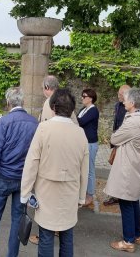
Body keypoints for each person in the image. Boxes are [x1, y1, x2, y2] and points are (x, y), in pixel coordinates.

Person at [21, 88, 89, 257]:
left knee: (46, 236)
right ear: (72, 109)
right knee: (67, 236)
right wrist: (82, 196)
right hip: (70, 191)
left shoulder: (43, 128)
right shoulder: (80, 133)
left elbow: (32, 163)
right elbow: (84, 168)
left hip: (46, 191)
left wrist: (26, 193)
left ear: (53, 107)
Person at [0, 87, 38, 257]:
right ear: (23, 102)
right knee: (17, 218)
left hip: (4, 177)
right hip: (23, 178)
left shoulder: (4, 122)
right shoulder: (34, 123)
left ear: (8, 103)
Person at [104, 88, 140, 253]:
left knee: (126, 202)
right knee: (133, 200)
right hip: (136, 167)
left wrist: (116, 135)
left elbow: (115, 138)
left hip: (128, 168)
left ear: (132, 103)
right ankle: (136, 234)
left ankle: (128, 241)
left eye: (125, 99)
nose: (123, 101)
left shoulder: (132, 122)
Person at [104, 84, 131, 206]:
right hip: (117, 142)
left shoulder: (130, 109)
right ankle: (115, 195)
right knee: (115, 168)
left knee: (120, 171)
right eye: (118, 93)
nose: (118, 96)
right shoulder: (118, 105)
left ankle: (118, 195)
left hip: (124, 143)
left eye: (120, 94)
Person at [77, 88, 99, 206]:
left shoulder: (93, 110)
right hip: (83, 143)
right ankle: (83, 192)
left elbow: (80, 122)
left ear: (90, 98)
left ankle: (90, 194)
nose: (82, 98)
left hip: (90, 143)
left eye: (84, 96)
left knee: (89, 169)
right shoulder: (83, 109)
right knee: (82, 169)